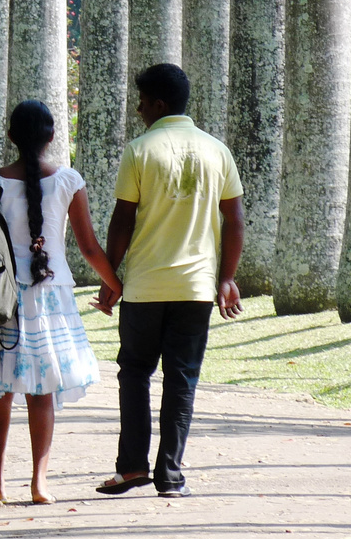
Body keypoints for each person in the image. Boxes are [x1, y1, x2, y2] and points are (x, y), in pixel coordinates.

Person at [94, 63, 245, 499]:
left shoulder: (140, 150)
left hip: (144, 286)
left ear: (158, 104)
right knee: (182, 379)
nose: (138, 108)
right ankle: (171, 476)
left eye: (142, 100)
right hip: (196, 288)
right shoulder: (217, 151)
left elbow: (123, 220)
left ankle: (132, 468)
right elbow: (234, 219)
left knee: (135, 373)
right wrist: (227, 277)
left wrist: (112, 276)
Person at [0, 99, 123, 505]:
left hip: (0, 298)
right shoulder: (69, 181)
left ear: (11, 136)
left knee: (0, 392)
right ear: (52, 137)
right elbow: (88, 247)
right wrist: (115, 284)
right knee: (42, 391)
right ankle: (39, 484)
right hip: (50, 294)